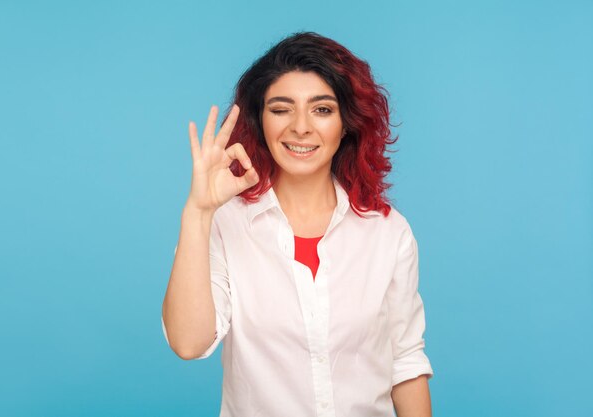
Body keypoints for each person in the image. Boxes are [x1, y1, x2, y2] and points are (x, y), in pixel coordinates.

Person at [162, 32, 434, 417]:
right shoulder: (225, 223)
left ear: (347, 123)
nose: (301, 127)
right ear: (260, 121)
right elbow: (189, 344)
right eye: (281, 109)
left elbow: (406, 362)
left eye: (322, 109)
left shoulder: (388, 232)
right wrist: (198, 211)